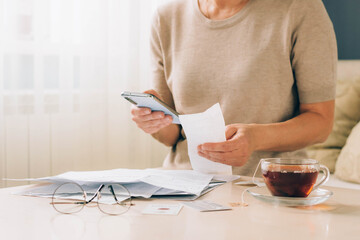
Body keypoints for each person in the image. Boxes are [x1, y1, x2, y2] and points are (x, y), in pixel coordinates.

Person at [130, 0, 337, 176]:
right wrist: (154, 120)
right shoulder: (166, 17)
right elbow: (173, 134)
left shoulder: (300, 9)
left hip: (269, 184)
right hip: (184, 186)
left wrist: (256, 138)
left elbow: (321, 122)